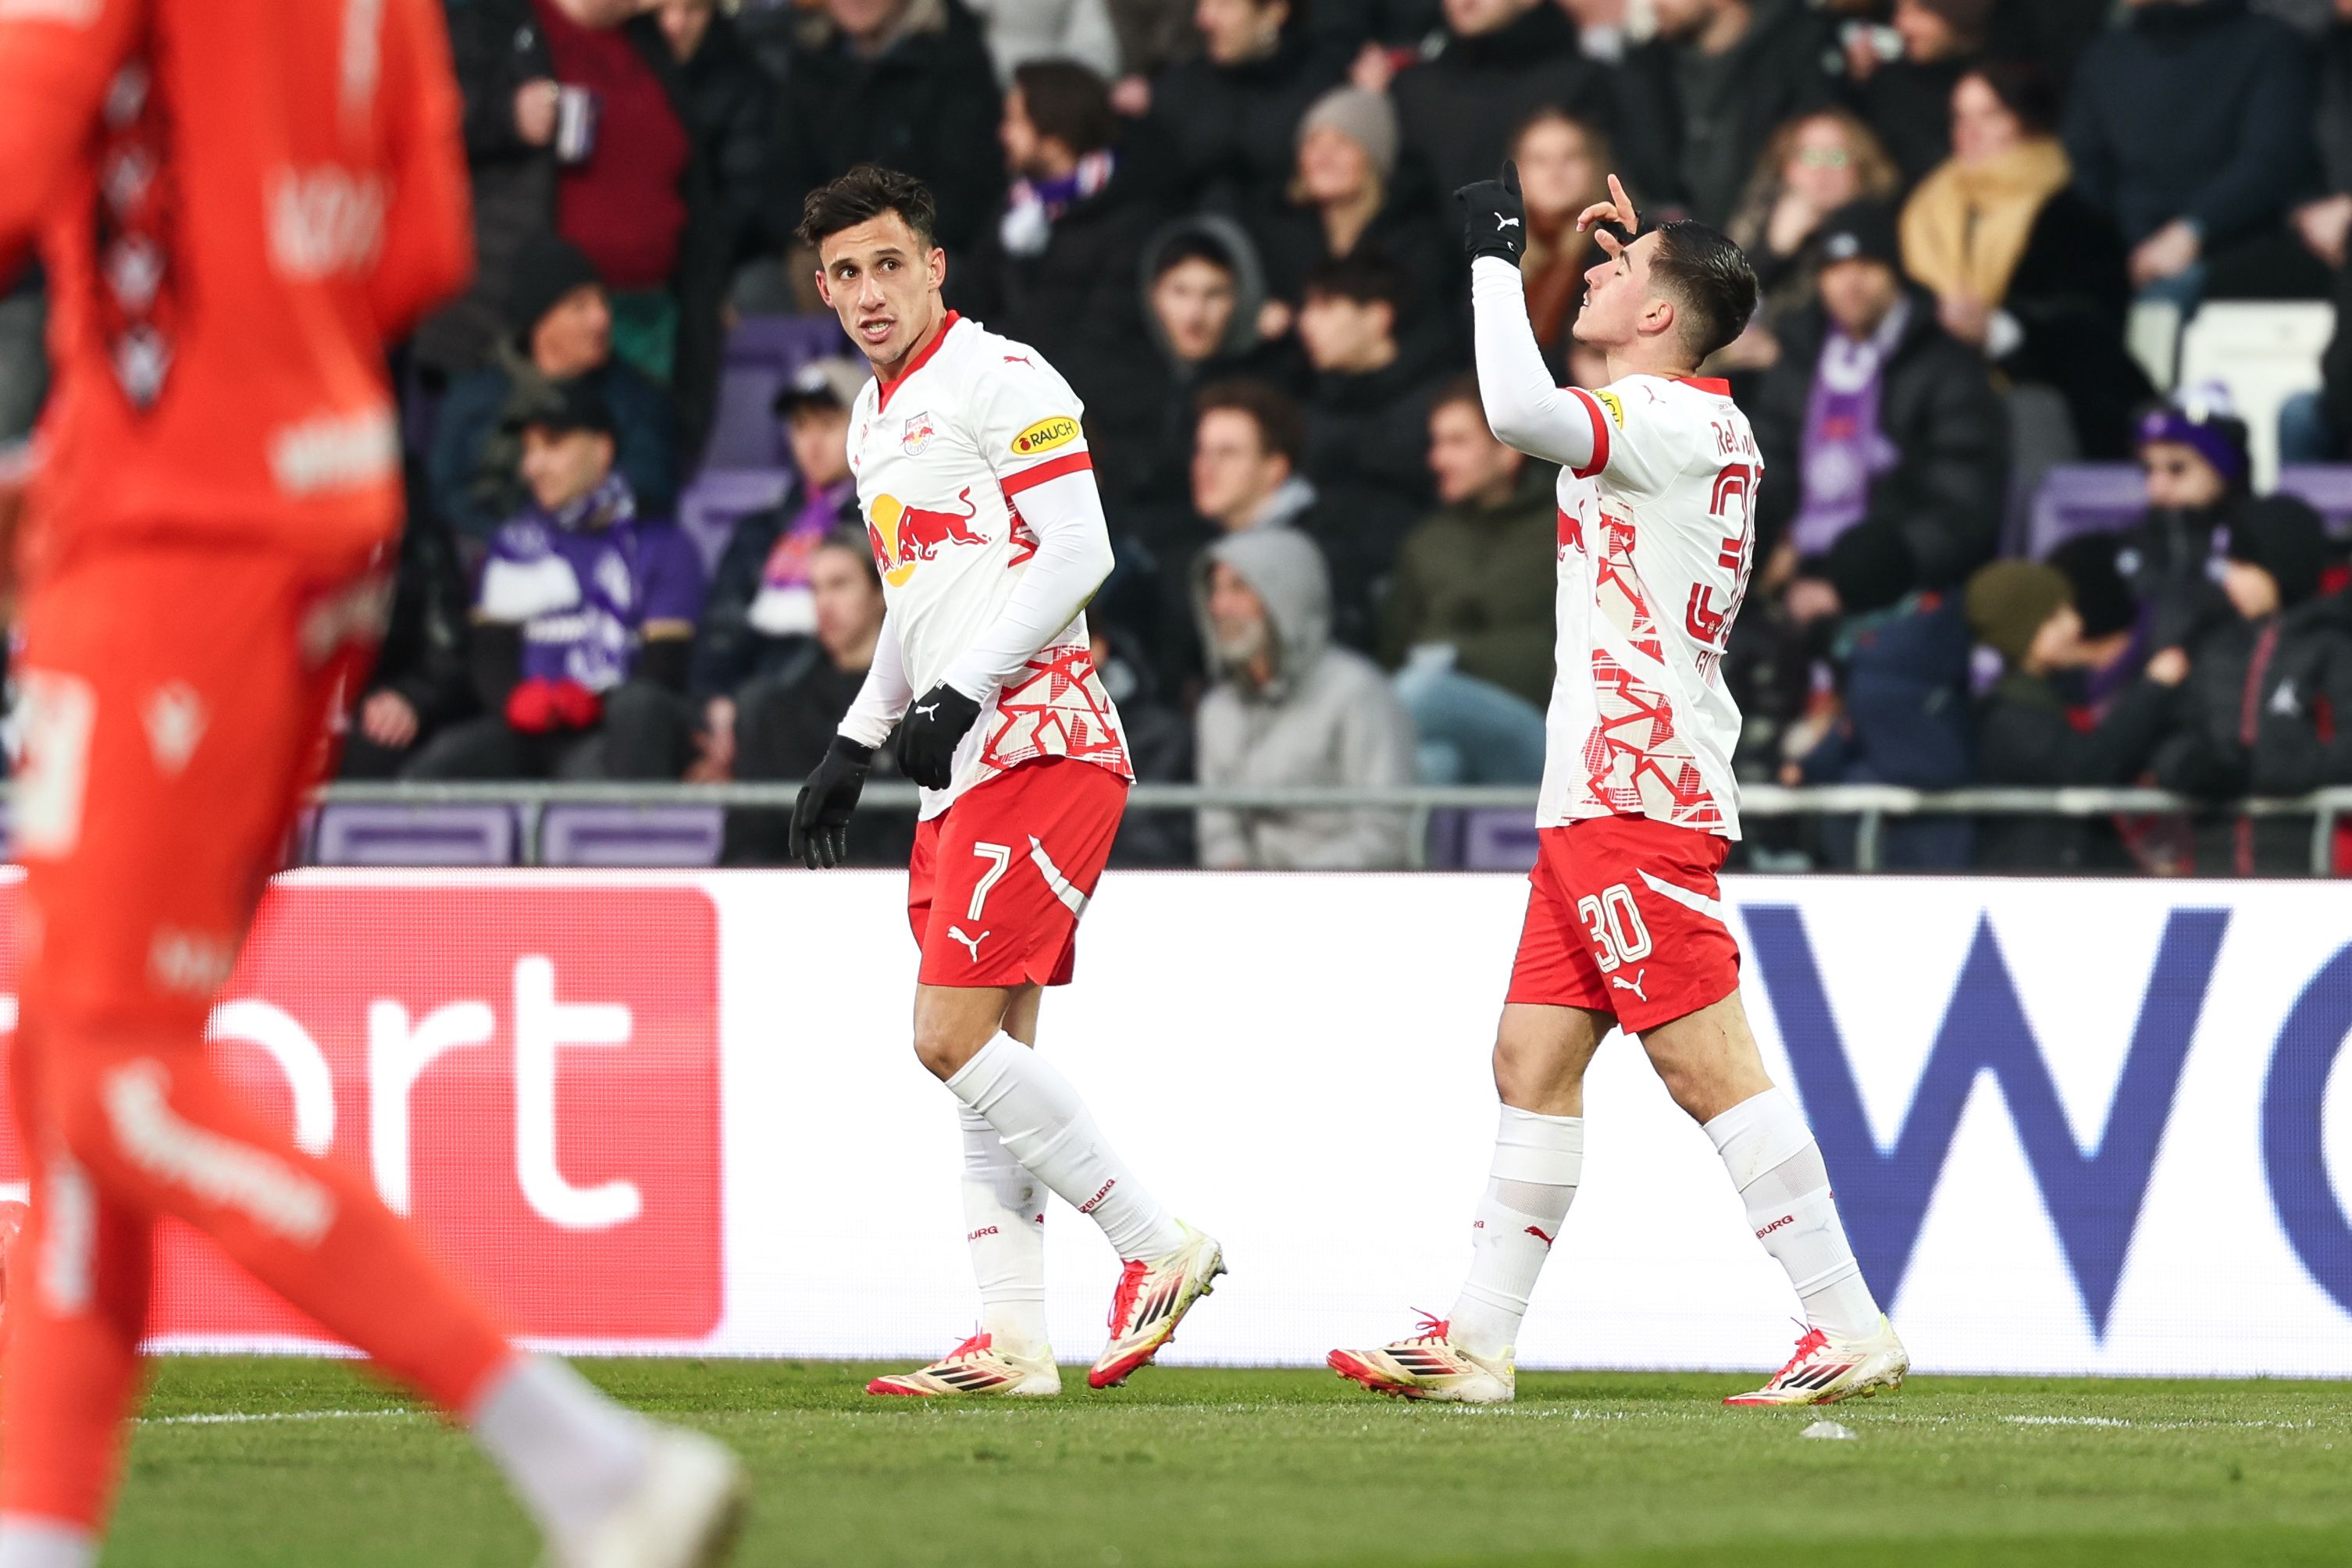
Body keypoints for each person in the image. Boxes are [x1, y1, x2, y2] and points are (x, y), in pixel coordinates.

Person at [0, 2, 744, 1563]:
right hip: (321, 514)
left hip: (172, 541)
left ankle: (586, 1460)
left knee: (111, 1070)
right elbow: (417, 249)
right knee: (77, 1064)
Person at [1330, 169, 1908, 1406]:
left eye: (1621, 273)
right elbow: (1586, 380)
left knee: (1711, 1070)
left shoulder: (1675, 424)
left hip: (1635, 795)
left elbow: (1511, 410)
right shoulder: (1681, 416)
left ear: (1660, 321)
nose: (1594, 272)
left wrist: (1494, 255)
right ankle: (1479, 1345)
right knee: (1530, 1060)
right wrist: (1653, 255)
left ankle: (1847, 1320)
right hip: (1595, 791)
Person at [786, 166, 1226, 1399]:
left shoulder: (1005, 377)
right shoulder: (875, 418)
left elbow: (1078, 550)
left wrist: (965, 690)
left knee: (947, 1036)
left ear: (936, 267)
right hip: (958, 762)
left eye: (889, 264)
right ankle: (1016, 1341)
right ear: (822, 291)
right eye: (846, 274)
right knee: (995, 1061)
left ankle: (1157, 1245)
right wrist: (856, 739)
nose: (870, 293)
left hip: (1041, 743)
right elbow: (921, 596)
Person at [412, 383, 709, 782]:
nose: (532, 466)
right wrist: (516, 701)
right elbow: (490, 655)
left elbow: (662, 672)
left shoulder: (664, 544)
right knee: (432, 778)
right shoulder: (513, 544)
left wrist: (593, 702)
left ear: (602, 450)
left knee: (596, 762)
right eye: (529, 449)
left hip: (613, 733)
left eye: (552, 445)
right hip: (525, 730)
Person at [1752, 198, 2007, 602]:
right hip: (1793, 575)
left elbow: (1963, 507)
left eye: (1866, 267)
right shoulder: (1800, 357)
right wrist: (1762, 554)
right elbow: (1765, 473)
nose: (1850, 284)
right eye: (1835, 269)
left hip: (1905, 583)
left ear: (1896, 274)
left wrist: (1857, 582)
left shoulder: (1944, 365)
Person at [1904, 63, 2151, 461]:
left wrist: (1999, 330)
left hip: (2046, 394)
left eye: (1990, 115)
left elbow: (2093, 325)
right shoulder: (1925, 208)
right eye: (1961, 117)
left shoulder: (2073, 213)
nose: (1970, 131)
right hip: (1937, 389)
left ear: (2028, 121)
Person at [2065, 0, 2317, 308]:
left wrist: (2192, 229)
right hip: (2127, 256)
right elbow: (2086, 164)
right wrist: (2141, 243)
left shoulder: (2269, 42)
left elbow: (2272, 160)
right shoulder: (2104, 55)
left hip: (2241, 253)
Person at [429, 234, 679, 542]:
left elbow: (649, 486)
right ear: (540, 322)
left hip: (599, 557)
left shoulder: (635, 397)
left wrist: (566, 534)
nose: (601, 318)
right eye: (580, 306)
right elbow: (445, 493)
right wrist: (512, 543)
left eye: (602, 301)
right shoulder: (475, 396)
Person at [1193, 530, 1418, 867]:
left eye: (1238, 588)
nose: (1218, 606)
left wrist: (1294, 888)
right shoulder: (1217, 709)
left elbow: (1387, 832)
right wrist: (1235, 879)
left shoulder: (1356, 691)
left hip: (1350, 901)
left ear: (1287, 597)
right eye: (1215, 590)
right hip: (1247, 904)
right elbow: (1218, 829)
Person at [2152, 501, 2352, 874]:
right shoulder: (2215, 646)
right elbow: (2174, 734)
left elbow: (2344, 754)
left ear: (2282, 566)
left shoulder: (2333, 648)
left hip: (2308, 875)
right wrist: (2187, 767)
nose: (2229, 580)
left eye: (2243, 566)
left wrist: (2254, 773)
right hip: (2214, 871)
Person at [690, 358, 870, 763]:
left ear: (865, 429)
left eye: (826, 424)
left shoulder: (883, 522)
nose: (811, 442)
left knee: (763, 708)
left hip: (830, 695)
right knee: (642, 708)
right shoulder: (761, 530)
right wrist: (716, 703)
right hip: (745, 702)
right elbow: (723, 625)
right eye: (801, 427)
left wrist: (750, 706)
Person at [1380, 376, 1557, 783]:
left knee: (1416, 694)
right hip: (1440, 724)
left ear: (1509, 451)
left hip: (1541, 732)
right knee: (1435, 764)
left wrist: (1463, 659)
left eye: (1457, 442)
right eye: (1437, 442)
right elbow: (1391, 648)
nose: (1438, 459)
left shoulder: (1567, 528)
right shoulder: (1427, 542)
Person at [1965, 560, 2183, 871]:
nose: (2075, 625)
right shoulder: (2009, 718)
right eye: (2055, 616)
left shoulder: (2043, 699)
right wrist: (2154, 689)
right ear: (2022, 629)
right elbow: (2092, 767)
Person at [724, 529, 918, 865]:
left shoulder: (920, 705)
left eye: (839, 585)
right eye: (815, 589)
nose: (824, 604)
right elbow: (749, 836)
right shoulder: (777, 709)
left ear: (881, 592)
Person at [960, 59, 1160, 379]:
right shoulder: (1016, 205)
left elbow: (1102, 342)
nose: (1002, 134)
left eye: (1014, 121)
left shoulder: (1127, 218)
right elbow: (970, 298)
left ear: (1053, 137)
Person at [770, 0, 1007, 258]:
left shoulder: (956, 58)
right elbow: (783, 177)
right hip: (825, 250)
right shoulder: (809, 55)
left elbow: (968, 193)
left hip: (927, 253)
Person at [1388, 0, 1629, 230]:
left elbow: (1613, 189)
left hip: (1560, 262)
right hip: (1444, 269)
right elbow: (1407, 211)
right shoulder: (1415, 89)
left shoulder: (1580, 82)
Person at [1620, 0, 1843, 228]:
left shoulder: (1798, 48)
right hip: (1682, 244)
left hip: (1777, 235)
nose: (1656, 4)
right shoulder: (1645, 68)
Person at [1256, 87, 1452, 319]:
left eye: (1342, 143)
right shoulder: (1274, 240)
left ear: (1373, 158)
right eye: (1313, 142)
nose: (1323, 157)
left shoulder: (1415, 245)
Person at [1722, 109, 1898, 361]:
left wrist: (1780, 356)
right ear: (1786, 167)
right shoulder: (1759, 212)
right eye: (1810, 156)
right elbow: (1718, 302)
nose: (1822, 171)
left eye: (1837, 158)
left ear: (1861, 169)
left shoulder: (1879, 234)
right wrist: (1773, 250)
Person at [340, 474, 479, 781]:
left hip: (379, 704)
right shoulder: (263, 527)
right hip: (287, 712)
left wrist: (412, 696)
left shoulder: (411, 519)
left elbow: (450, 642)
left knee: (374, 744)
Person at [1507, 109, 1612, 373]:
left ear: (1596, 166)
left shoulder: (1621, 249)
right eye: (1539, 160)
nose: (1555, 172)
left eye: (1570, 157)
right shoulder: (1494, 251)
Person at [1847, 0, 1991, 188]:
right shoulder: (1887, 83)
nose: (1902, 25)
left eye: (1920, 12)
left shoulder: (1999, 77)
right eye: (1899, 13)